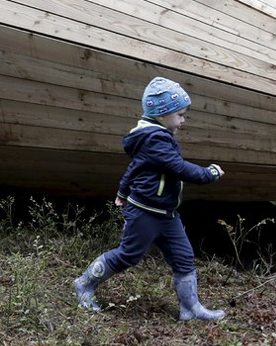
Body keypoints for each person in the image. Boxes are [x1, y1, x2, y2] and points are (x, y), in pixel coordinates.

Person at [72, 77, 226, 320]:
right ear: (162, 115)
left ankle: (191, 308)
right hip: (145, 212)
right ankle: (84, 284)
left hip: (167, 213)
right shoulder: (154, 139)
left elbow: (136, 168)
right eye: (180, 115)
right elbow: (178, 167)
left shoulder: (156, 136)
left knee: (183, 256)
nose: (183, 121)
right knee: (128, 255)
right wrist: (209, 174)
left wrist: (122, 191)